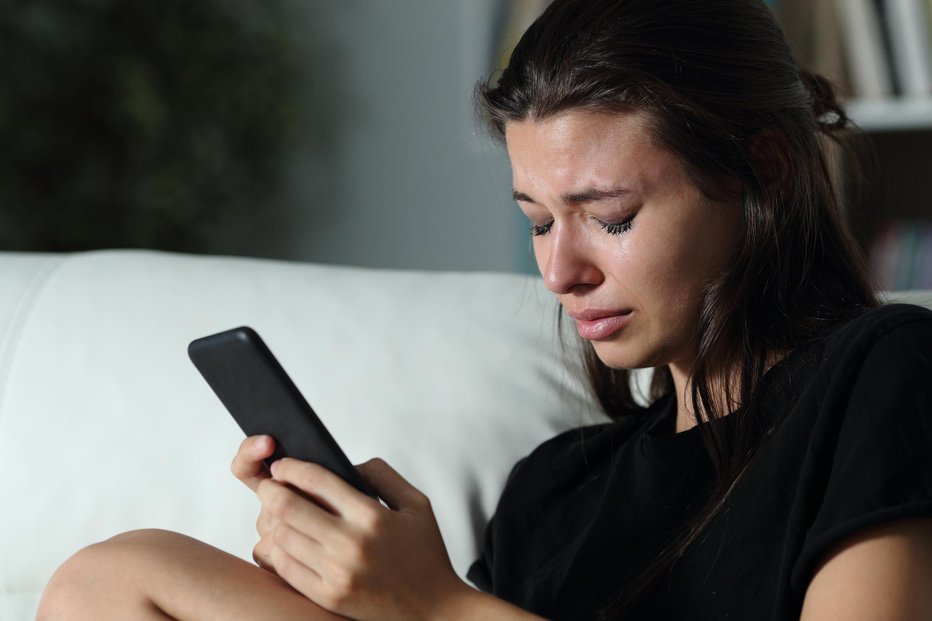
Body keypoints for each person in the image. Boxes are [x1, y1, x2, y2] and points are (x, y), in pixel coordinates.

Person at [37, 0, 932, 619]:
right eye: (538, 223)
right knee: (119, 578)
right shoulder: (554, 489)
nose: (561, 270)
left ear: (764, 172)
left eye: (611, 217)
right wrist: (354, 584)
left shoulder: (882, 376)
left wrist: (437, 605)